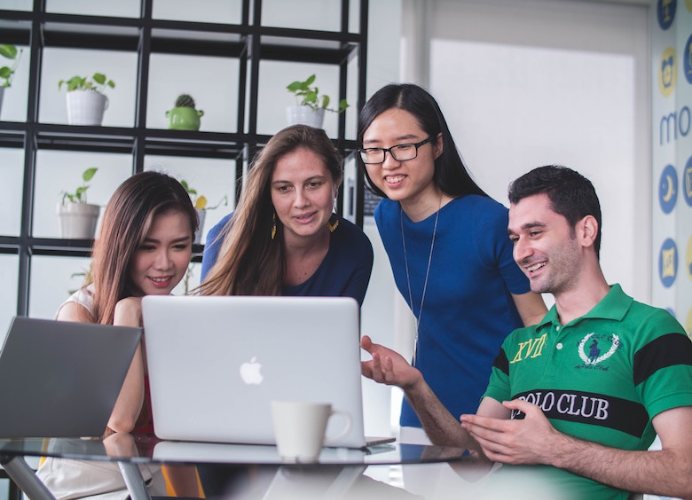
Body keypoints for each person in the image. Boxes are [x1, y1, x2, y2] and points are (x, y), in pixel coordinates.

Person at [361, 165, 692, 499]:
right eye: (515, 238)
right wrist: (415, 385)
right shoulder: (518, 344)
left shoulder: (650, 331)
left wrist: (553, 449)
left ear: (586, 231)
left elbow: (685, 474)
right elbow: (473, 462)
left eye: (535, 233)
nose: (520, 252)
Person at [357, 83, 546, 440]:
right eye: (374, 150)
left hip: (497, 408)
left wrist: (527, 407)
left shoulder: (489, 221)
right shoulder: (386, 217)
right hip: (423, 407)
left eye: (404, 146)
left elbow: (536, 322)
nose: (389, 163)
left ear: (438, 144)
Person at [37, 171, 201, 498]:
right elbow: (121, 421)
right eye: (148, 247)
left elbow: (177, 442)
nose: (165, 263)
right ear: (122, 245)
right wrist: (127, 313)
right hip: (84, 492)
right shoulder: (79, 314)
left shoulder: (175, 318)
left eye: (179, 246)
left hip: (147, 489)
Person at [199, 124, 373, 306]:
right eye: (284, 188)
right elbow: (209, 327)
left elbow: (340, 332)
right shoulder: (227, 236)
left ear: (335, 183)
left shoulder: (356, 248)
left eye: (313, 184)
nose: (300, 202)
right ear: (269, 193)